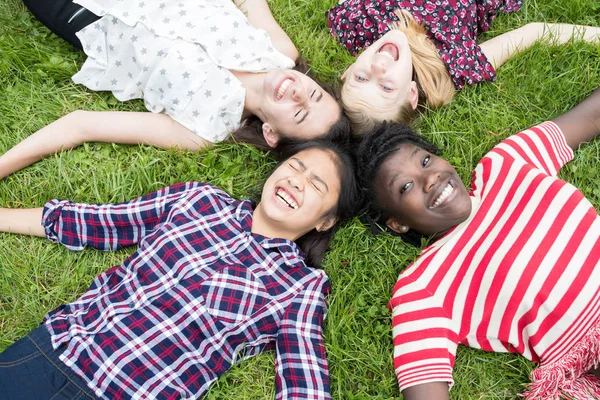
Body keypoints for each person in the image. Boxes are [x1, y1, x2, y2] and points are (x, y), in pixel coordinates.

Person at [0, 139, 359, 400]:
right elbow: (101, 222)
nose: (297, 180)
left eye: (316, 185)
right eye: (296, 166)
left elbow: (303, 378)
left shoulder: (299, 286)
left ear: (326, 221)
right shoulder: (198, 200)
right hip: (56, 349)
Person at [354, 86, 600, 399]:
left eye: (426, 161)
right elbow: (424, 387)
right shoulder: (422, 286)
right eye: (405, 186)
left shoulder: (505, 164)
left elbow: (591, 115)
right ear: (398, 223)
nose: (430, 179)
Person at [0, 0, 348, 179]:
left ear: (271, 134)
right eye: (315, 93)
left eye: (300, 113)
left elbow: (81, 124)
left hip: (89, 15)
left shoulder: (203, 128)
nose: (301, 94)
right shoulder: (282, 53)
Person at [326, 0, 600, 132]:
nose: (378, 69)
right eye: (386, 87)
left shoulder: (352, 27)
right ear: (411, 93)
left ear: (348, 70)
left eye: (361, 78)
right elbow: (534, 32)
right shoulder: (451, 64)